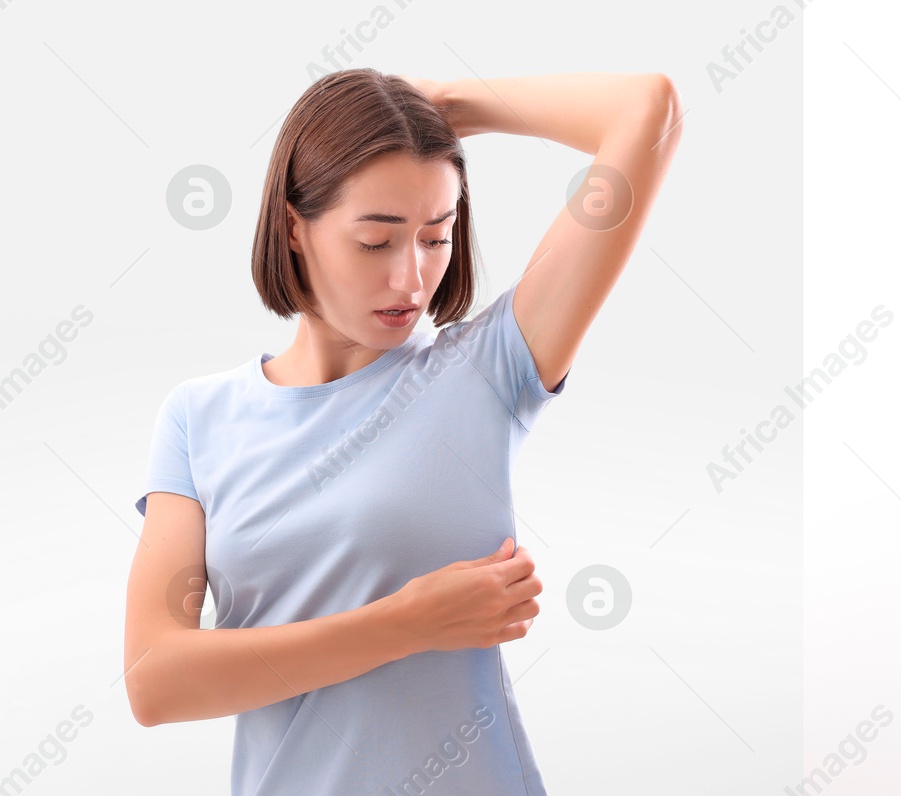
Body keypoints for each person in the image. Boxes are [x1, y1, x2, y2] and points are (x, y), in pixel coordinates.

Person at [124, 68, 682, 795]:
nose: (412, 281)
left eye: (437, 236)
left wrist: (448, 107)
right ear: (295, 227)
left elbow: (649, 111)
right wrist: (406, 623)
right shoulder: (198, 417)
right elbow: (155, 681)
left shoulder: (490, 368)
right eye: (376, 241)